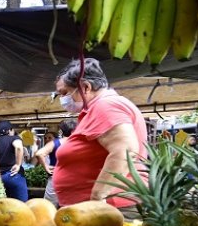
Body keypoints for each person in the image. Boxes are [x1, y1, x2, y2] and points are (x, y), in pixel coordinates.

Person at [52, 58, 147, 212]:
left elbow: (126, 151)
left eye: (65, 93)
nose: (63, 99)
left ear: (85, 87)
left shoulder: (105, 106)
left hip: (111, 207)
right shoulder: (99, 107)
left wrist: (97, 197)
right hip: (100, 207)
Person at [36, 121, 77, 206]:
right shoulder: (78, 142)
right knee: (70, 208)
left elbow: (39, 153)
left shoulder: (55, 143)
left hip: (56, 178)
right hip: (73, 179)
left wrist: (46, 167)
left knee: (49, 207)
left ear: (62, 131)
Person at [0, 121, 28, 201]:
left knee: (1, 206)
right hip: (13, 175)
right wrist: (18, 164)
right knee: (21, 206)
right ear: (9, 130)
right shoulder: (14, 138)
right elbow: (19, 147)